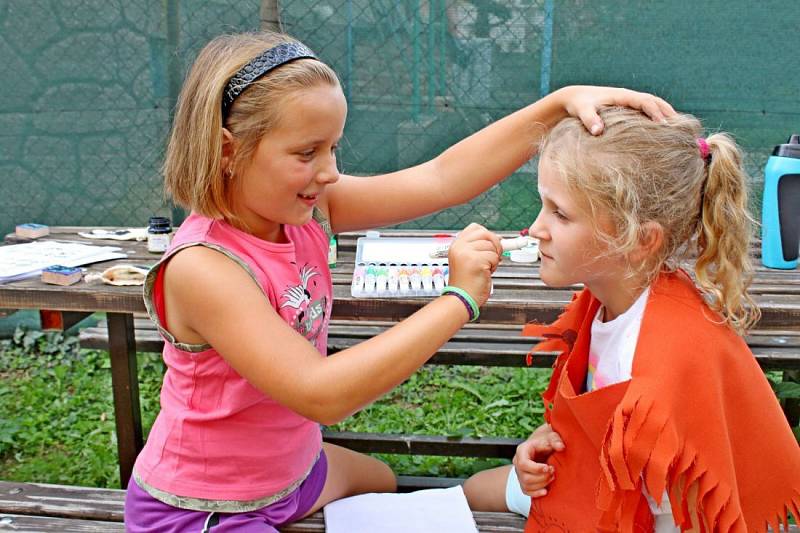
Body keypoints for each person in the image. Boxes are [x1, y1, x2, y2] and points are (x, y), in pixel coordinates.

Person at [122, 29, 676, 532]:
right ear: (227, 150)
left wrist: (558, 103)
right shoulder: (203, 267)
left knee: (384, 484)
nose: (330, 171)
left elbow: (440, 179)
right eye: (307, 152)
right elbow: (322, 395)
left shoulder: (307, 209)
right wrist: (457, 300)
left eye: (333, 146)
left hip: (291, 473)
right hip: (203, 507)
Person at [462, 107, 800, 532]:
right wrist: (541, 443)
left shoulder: (665, 356)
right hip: (595, 486)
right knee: (473, 490)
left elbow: (683, 509)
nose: (535, 229)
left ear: (638, 240)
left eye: (560, 214)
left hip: (636, 516)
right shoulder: (606, 300)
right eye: (542, 205)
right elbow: (595, 412)